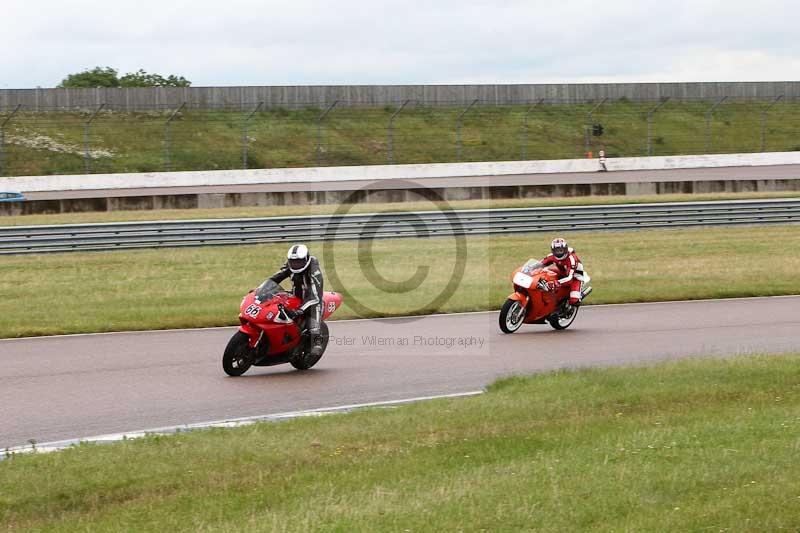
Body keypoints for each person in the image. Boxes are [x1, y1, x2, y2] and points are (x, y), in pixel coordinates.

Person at [269, 244, 325, 357]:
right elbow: (277, 277)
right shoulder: (290, 265)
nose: (295, 264)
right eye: (293, 261)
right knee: (275, 304)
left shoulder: (314, 271)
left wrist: (299, 311)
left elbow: (314, 297)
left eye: (299, 262)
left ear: (306, 259)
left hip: (312, 300)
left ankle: (317, 342)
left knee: (313, 325)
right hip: (296, 295)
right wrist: (262, 288)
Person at [540, 237, 588, 310]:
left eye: (561, 250)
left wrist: (555, 283)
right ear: (553, 250)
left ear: (565, 249)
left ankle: (580, 294)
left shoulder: (572, 259)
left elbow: (569, 279)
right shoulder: (551, 256)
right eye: (556, 251)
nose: (559, 253)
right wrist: (528, 269)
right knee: (545, 271)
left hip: (575, 277)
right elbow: (540, 264)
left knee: (574, 300)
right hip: (562, 272)